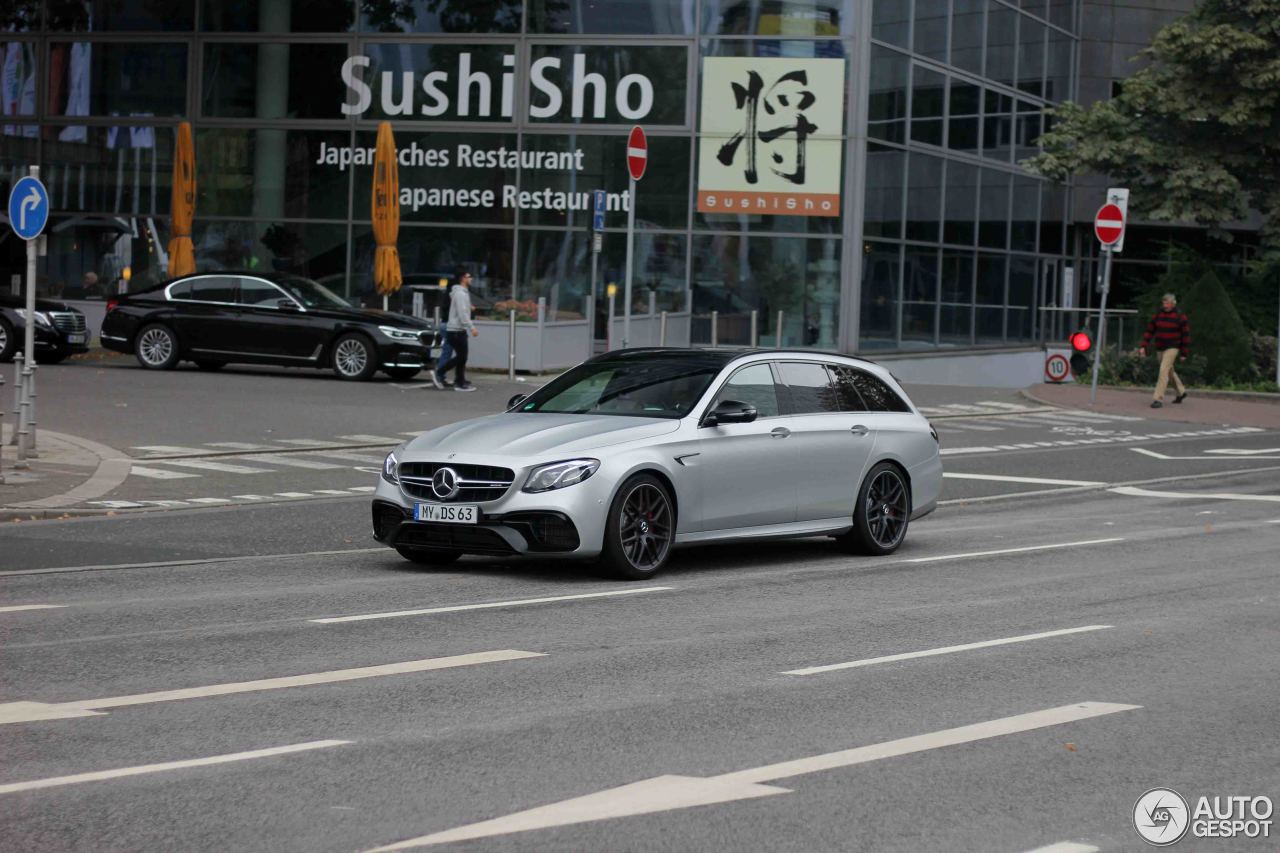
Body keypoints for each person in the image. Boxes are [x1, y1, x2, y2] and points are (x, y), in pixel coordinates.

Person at [431, 267, 479, 392]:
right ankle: (441, 373)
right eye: (469, 276)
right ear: (463, 278)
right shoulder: (460, 294)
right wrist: (472, 327)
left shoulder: (461, 293)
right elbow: (462, 313)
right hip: (456, 330)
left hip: (457, 329)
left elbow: (462, 309)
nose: (471, 279)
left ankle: (459, 381)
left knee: (461, 357)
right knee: (460, 357)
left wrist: (469, 307)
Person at [1139, 292, 1191, 408]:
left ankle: (1158, 399)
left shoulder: (1180, 316)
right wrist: (1143, 345)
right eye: (1163, 302)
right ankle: (1181, 392)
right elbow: (1150, 331)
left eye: (1167, 303)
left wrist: (1184, 352)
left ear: (1173, 303)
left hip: (1173, 347)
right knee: (1169, 371)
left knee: (1163, 370)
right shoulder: (1158, 315)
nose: (1165, 305)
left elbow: (1185, 335)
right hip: (1160, 347)